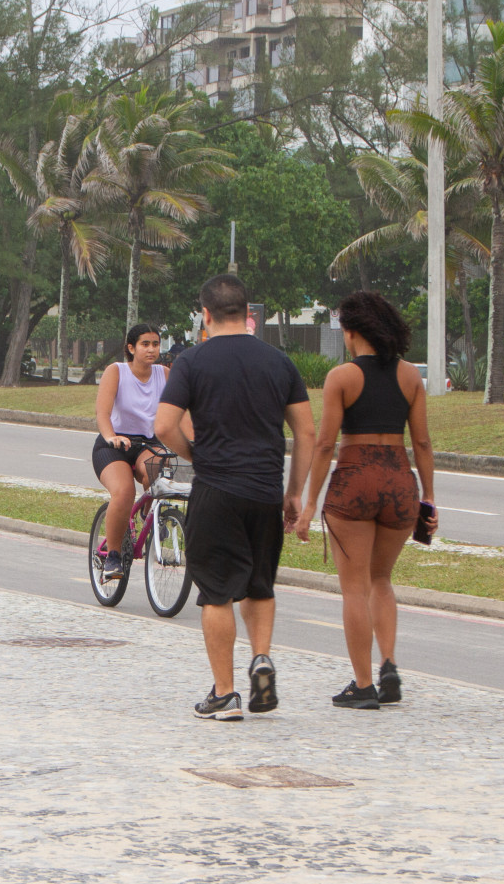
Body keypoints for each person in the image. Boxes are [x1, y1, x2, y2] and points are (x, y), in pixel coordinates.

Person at [155, 274, 315, 721]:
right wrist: (294, 492)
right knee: (259, 584)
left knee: (217, 592)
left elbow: (164, 426)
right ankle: (260, 656)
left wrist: (196, 454)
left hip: (217, 489)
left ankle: (224, 693)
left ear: (204, 315)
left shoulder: (192, 361)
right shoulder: (279, 361)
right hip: (265, 490)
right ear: (248, 314)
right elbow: (306, 431)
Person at [296, 290, 438, 710]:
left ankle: (362, 684)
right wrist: (428, 499)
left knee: (353, 588)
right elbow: (424, 443)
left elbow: (324, 445)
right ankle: (389, 664)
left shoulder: (342, 377)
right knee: (382, 581)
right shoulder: (411, 375)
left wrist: (307, 506)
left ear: (351, 331)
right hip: (398, 480)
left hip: (355, 479)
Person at [92, 322, 176, 581]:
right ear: (131, 347)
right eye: (145, 344)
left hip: (147, 444)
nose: (152, 349)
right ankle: (113, 557)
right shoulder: (116, 372)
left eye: (155, 344)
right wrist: (111, 436)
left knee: (159, 474)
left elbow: (179, 413)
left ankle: (152, 516)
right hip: (114, 446)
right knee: (124, 491)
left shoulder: (164, 374)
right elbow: (103, 413)